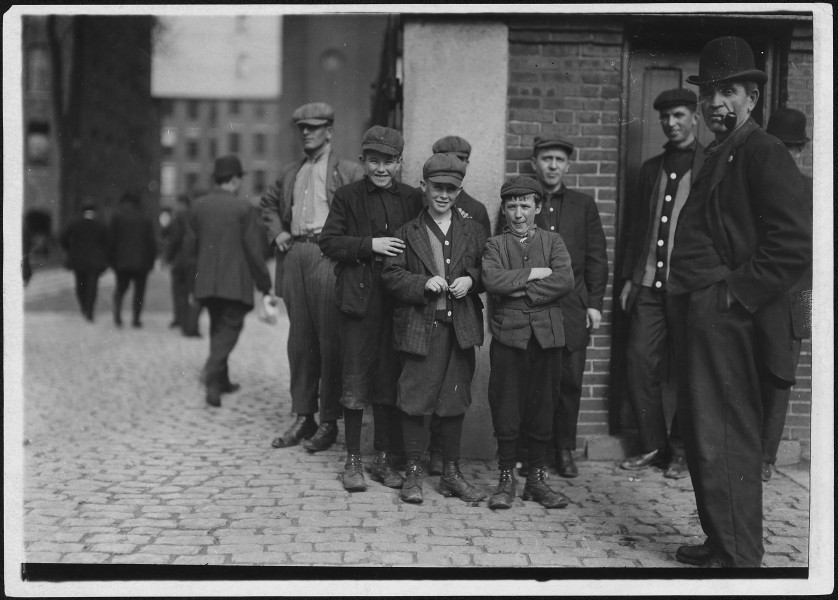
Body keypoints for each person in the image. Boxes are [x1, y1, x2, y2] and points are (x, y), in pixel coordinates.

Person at [667, 37, 811, 568]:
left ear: (752, 96)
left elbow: (794, 243)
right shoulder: (717, 152)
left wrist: (733, 295)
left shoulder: (763, 150)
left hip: (724, 313)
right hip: (698, 309)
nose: (714, 104)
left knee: (726, 434)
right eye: (707, 93)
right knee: (706, 433)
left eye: (727, 91)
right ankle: (720, 542)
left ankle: (741, 561)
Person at [319, 126, 424, 492]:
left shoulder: (412, 198)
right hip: (358, 303)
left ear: (400, 163)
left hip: (397, 304)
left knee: (387, 380)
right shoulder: (348, 196)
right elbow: (329, 241)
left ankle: (382, 458)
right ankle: (352, 460)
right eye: (374, 161)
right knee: (354, 378)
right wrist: (370, 245)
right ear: (363, 161)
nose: (381, 169)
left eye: (389, 162)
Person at [381, 153, 487, 504]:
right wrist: (422, 284)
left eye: (451, 189)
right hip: (420, 328)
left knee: (454, 399)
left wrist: (471, 281)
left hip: (459, 330)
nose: (443, 195)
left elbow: (487, 268)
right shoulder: (407, 232)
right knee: (414, 399)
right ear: (423, 187)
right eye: (437, 187)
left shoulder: (472, 230)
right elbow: (391, 275)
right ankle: (413, 472)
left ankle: (451, 473)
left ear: (460, 190)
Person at [500, 136, 608, 478]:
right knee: (529, 379)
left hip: (571, 306)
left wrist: (594, 304)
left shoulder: (583, 204)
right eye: (546, 158)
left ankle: (563, 449)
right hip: (525, 307)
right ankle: (528, 453)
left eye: (559, 160)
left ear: (568, 166)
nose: (552, 165)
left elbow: (596, 257)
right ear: (535, 162)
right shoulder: (517, 203)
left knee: (568, 380)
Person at [260, 102, 364, 453]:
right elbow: (268, 204)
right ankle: (304, 415)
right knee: (299, 342)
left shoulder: (348, 171)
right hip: (296, 258)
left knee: (330, 341)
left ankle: (329, 421)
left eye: (314, 127)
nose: (307, 132)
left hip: (328, 257)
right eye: (302, 127)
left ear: (329, 131)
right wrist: (278, 234)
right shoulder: (291, 172)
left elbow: (363, 212)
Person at [617, 88, 705, 480]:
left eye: (679, 115)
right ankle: (655, 446)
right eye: (666, 116)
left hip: (690, 290)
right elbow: (636, 227)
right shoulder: (652, 168)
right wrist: (628, 279)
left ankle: (684, 450)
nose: (671, 123)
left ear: (695, 117)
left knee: (691, 369)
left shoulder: (710, 163)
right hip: (648, 285)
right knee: (638, 361)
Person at [482, 175, 575, 509]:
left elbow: (565, 280)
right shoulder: (495, 245)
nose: (518, 213)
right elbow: (492, 279)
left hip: (548, 339)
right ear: (504, 209)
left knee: (543, 406)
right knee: (506, 405)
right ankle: (506, 480)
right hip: (509, 337)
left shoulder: (553, 242)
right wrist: (537, 275)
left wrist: (517, 290)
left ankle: (537, 480)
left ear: (538, 206)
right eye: (511, 206)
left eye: (525, 205)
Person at [423, 135, 492, 476]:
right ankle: (419, 455)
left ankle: (443, 454)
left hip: (459, 311)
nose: (455, 164)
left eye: (461, 159)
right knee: (424, 384)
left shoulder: (476, 211)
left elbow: (486, 262)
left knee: (454, 385)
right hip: (427, 310)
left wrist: (473, 280)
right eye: (446, 157)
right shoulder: (427, 202)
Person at [184, 155, 273, 407]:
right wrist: (264, 284)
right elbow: (254, 251)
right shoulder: (243, 209)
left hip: (206, 284)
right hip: (234, 283)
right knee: (229, 330)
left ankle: (220, 382)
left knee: (216, 328)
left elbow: (188, 252)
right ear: (234, 180)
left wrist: (192, 286)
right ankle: (212, 376)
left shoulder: (197, 207)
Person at [760, 107, 813, 482]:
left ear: (803, 150)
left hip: (799, 299)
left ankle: (766, 457)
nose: (789, 156)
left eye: (795, 149)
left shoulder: (816, 191)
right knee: (752, 373)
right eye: (781, 148)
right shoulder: (758, 188)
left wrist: (811, 311)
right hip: (761, 298)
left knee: (781, 377)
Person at [109, 192, 158, 328]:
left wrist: (111, 260)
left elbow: (111, 240)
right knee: (139, 291)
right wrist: (152, 260)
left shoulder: (117, 216)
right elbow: (151, 242)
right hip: (141, 261)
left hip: (121, 261)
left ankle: (117, 315)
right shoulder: (145, 217)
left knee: (120, 288)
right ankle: (136, 319)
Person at [59, 202, 110, 322]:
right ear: (94, 212)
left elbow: (63, 237)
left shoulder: (75, 223)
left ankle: (83, 306)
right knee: (92, 286)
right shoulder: (101, 224)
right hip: (95, 260)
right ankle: (90, 311)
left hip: (78, 259)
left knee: (80, 285)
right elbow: (107, 242)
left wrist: (69, 249)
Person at [165, 194, 202, 337]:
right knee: (192, 292)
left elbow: (173, 238)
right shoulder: (195, 215)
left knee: (178, 291)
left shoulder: (177, 216)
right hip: (194, 259)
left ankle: (180, 319)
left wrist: (168, 257)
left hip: (180, 259)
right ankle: (189, 323)